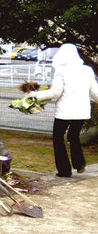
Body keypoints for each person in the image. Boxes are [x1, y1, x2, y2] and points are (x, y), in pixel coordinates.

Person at [28, 43, 98, 177]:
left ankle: (64, 170)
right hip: (82, 111)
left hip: (64, 111)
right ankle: (79, 164)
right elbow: (95, 92)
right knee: (73, 136)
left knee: (58, 138)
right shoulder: (88, 70)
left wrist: (36, 95)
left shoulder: (61, 71)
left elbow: (56, 92)